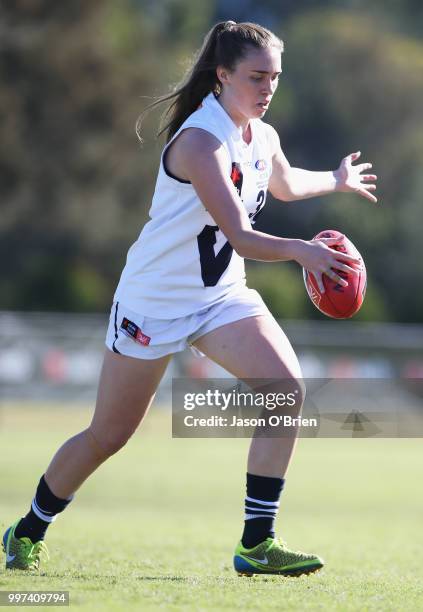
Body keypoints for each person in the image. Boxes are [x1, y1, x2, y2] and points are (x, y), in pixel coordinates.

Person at [3, 20, 377, 576]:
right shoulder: (201, 142)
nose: (267, 88)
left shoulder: (261, 134)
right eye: (256, 77)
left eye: (274, 77)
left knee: (286, 393)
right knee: (109, 435)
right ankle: (27, 529)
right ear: (222, 76)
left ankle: (257, 544)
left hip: (220, 296)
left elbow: (285, 184)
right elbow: (243, 237)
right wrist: (303, 251)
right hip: (153, 302)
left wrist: (336, 179)